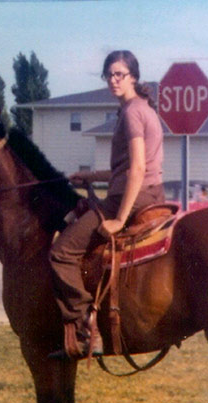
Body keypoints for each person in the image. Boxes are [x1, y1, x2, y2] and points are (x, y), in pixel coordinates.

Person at [49, 50, 165, 359]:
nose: (113, 80)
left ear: (133, 77)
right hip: (153, 193)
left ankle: (87, 327)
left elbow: (137, 168)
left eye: (119, 74)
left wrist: (119, 218)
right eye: (109, 75)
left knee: (61, 253)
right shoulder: (142, 109)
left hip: (130, 196)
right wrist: (92, 175)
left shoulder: (130, 113)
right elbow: (129, 168)